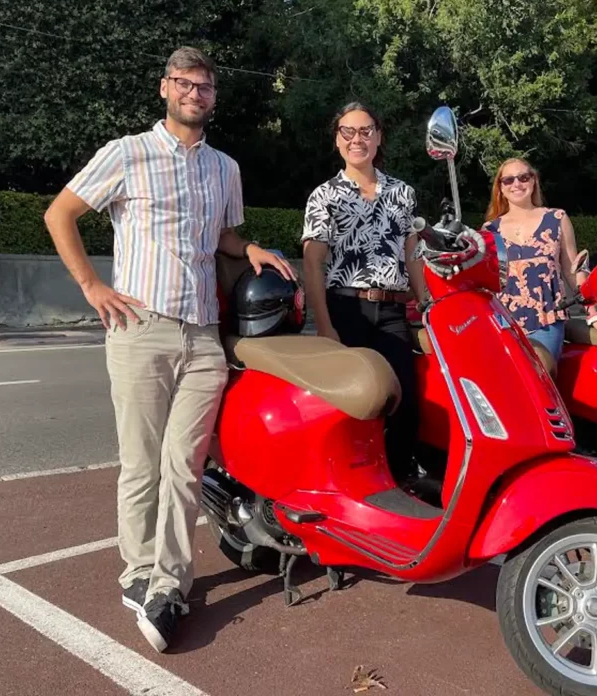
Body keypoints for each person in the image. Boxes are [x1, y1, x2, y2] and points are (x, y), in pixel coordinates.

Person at [43, 46, 295, 654]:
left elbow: (225, 237)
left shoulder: (225, 168)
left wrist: (250, 248)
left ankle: (169, 584)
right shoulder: (127, 152)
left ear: (213, 96)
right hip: (141, 327)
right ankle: (139, 572)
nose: (195, 94)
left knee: (185, 465)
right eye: (184, 84)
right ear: (165, 88)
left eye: (205, 86)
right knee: (140, 464)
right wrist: (92, 286)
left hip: (203, 336)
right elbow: (61, 213)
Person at [301, 102, 427, 484]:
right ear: (338, 140)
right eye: (348, 132)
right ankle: (351, 482)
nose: (358, 139)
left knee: (404, 399)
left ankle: (398, 480)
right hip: (346, 310)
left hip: (390, 312)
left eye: (366, 131)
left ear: (378, 136)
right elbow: (313, 263)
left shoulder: (402, 193)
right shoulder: (325, 196)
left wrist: (426, 305)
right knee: (353, 402)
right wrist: (324, 326)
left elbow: (413, 256)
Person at [481, 158, 597, 365]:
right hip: (503, 322)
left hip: (546, 320)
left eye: (523, 177)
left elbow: (573, 270)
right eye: (509, 180)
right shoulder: (489, 230)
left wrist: (593, 314)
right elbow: (484, 283)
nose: (517, 184)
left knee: (541, 373)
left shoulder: (556, 218)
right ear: (500, 188)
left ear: (533, 181)